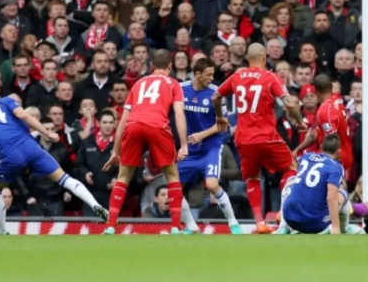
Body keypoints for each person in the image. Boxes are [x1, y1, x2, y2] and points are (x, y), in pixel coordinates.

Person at [0, 81, 108, 235]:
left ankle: (1, 230)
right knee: (64, 178)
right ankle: (96, 205)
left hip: (9, 152)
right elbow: (24, 115)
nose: (0, 95)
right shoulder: (6, 101)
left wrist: (3, 161)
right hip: (30, 145)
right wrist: (47, 133)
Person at [212, 42, 306, 234]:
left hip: (244, 139)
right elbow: (289, 104)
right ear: (264, 58)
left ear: (248, 58)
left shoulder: (237, 77)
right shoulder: (270, 77)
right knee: (290, 167)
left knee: (253, 177)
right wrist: (299, 121)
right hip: (267, 136)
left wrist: (220, 117)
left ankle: (260, 222)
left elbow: (215, 97)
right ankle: (282, 211)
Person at [103, 49, 194, 235]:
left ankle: (110, 226)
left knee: (123, 177)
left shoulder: (138, 83)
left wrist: (115, 151)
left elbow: (123, 120)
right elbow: (179, 114)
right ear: (170, 66)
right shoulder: (173, 83)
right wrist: (184, 144)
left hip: (133, 125)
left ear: (152, 65)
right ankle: (176, 227)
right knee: (172, 176)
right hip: (157, 126)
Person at [178, 58, 241, 234]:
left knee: (212, 184)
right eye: (208, 75)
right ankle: (191, 225)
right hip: (189, 150)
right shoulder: (181, 89)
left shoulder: (216, 93)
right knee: (174, 189)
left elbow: (223, 124)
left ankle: (233, 222)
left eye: (213, 74)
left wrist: (202, 135)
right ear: (197, 74)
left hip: (210, 147)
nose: (212, 78)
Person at [280, 135, 362, 235]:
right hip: (314, 223)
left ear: (321, 147)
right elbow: (331, 197)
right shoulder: (335, 167)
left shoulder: (307, 156)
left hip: (289, 218)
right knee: (343, 193)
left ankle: (283, 227)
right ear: (339, 152)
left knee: (291, 180)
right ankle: (343, 228)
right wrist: (335, 228)